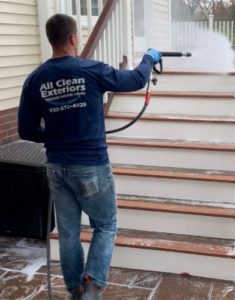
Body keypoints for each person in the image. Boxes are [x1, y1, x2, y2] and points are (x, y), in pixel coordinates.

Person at [18, 13, 161, 300]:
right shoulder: (91, 70)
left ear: (51, 40)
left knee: (69, 232)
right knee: (105, 225)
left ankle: (76, 290)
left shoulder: (35, 79)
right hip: (91, 165)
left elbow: (26, 130)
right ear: (73, 38)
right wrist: (148, 58)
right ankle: (92, 288)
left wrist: (56, 134)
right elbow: (135, 79)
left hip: (57, 167)